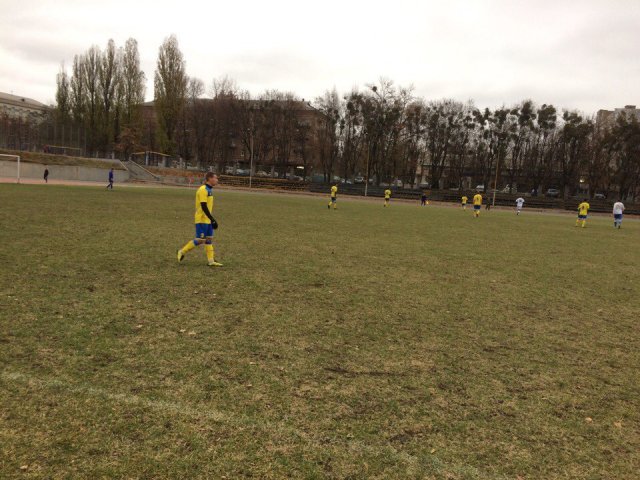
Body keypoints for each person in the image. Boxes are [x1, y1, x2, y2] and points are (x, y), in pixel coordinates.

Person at [177, 172, 223, 267]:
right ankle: (182, 251)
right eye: (215, 178)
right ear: (209, 178)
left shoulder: (209, 190)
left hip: (207, 219)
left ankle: (211, 261)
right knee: (200, 240)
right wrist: (212, 219)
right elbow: (203, 206)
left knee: (209, 239)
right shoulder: (203, 189)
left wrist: (211, 219)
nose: (217, 180)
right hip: (201, 219)